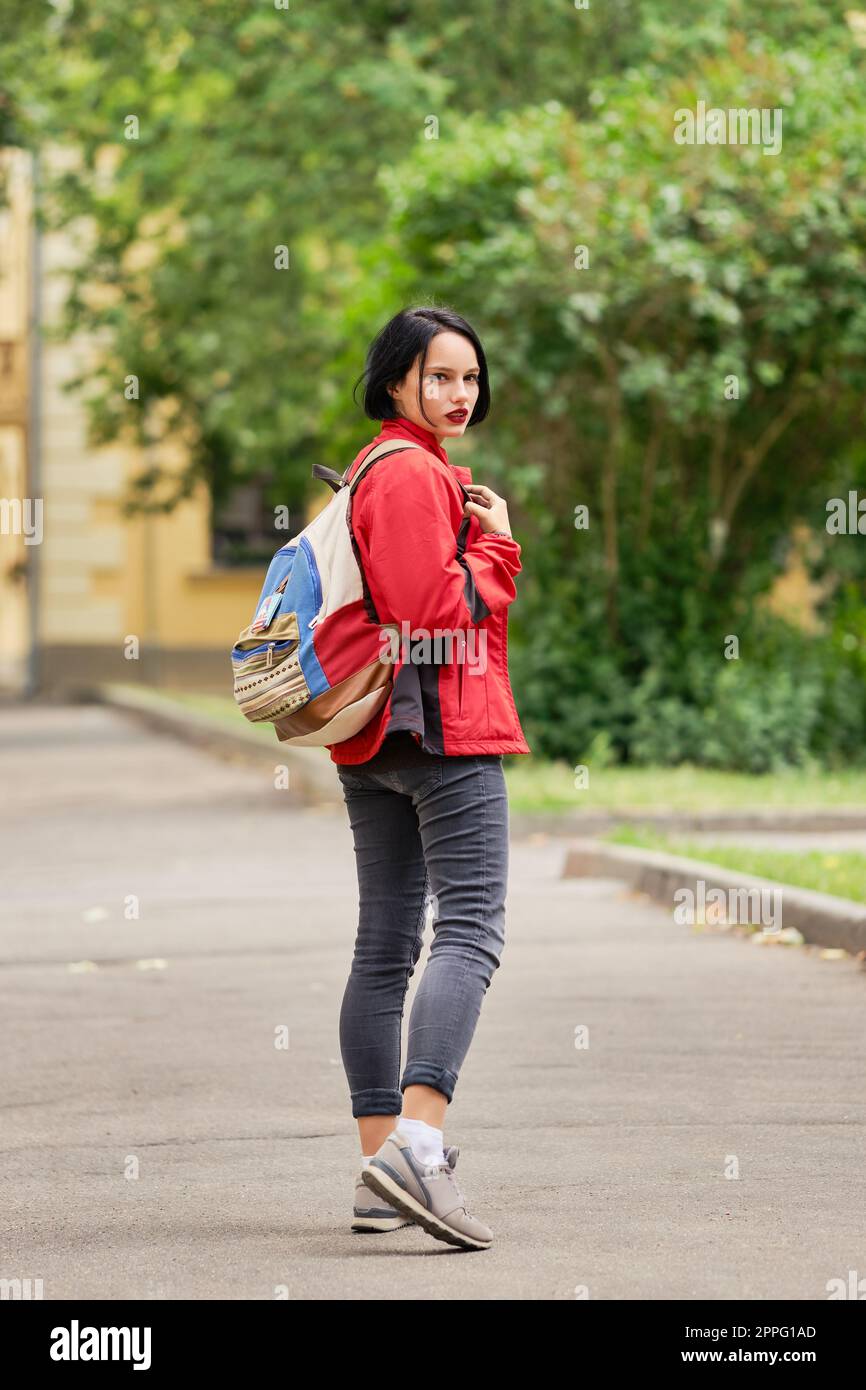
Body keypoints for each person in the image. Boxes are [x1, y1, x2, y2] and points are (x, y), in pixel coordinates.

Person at [327, 304, 531, 1250]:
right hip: (441, 729)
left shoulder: (380, 467)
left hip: (378, 738)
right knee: (473, 929)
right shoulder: (410, 472)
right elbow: (434, 615)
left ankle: (380, 1177)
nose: (459, 395)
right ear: (397, 380)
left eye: (470, 379)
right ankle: (419, 1143)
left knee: (385, 945)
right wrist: (497, 546)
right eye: (440, 377)